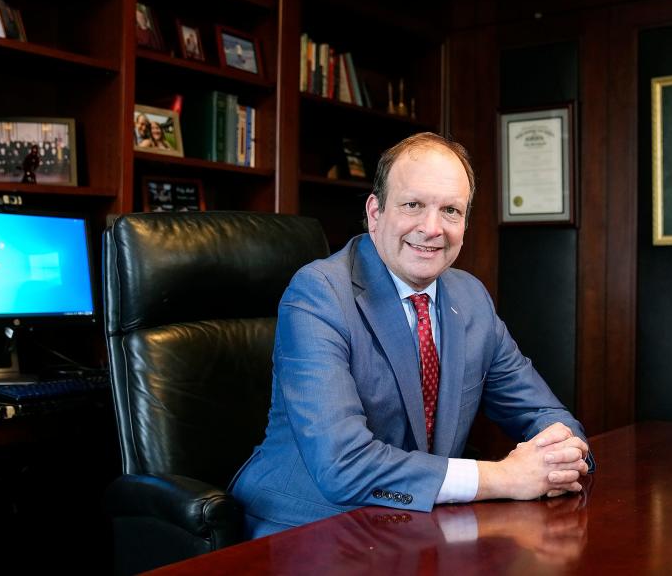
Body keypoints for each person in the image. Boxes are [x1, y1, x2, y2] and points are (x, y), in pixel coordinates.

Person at [230, 132, 593, 538]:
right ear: (374, 212)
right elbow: (342, 464)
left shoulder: (469, 296)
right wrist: (504, 477)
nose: (432, 228)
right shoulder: (319, 294)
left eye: (451, 211)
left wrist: (561, 457)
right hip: (313, 526)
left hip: (421, 527)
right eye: (413, 205)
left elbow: (547, 414)